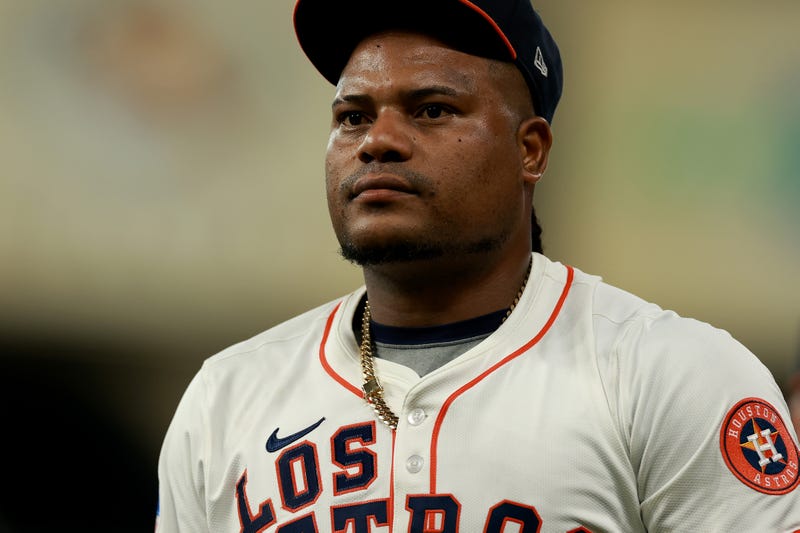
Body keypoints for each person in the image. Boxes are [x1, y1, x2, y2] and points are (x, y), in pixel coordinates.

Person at [156, 1, 800, 531]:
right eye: (353, 117)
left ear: (531, 151)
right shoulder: (226, 398)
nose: (378, 140)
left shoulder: (672, 374)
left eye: (432, 109)